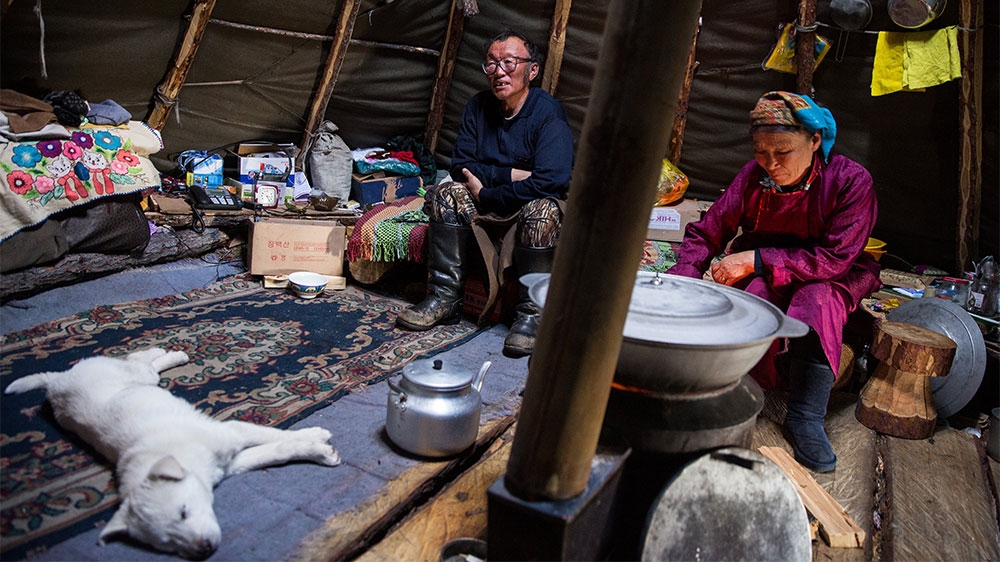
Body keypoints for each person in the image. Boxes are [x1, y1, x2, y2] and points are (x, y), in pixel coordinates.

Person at [667, 91, 881, 473]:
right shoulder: (754, 177)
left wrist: (756, 258)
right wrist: (681, 281)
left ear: (814, 141)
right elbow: (707, 232)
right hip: (766, 270)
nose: (770, 163)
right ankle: (748, 392)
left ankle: (805, 415)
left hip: (830, 273)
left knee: (815, 302)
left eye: (782, 152)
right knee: (756, 299)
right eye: (760, 152)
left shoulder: (850, 181)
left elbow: (834, 258)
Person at [396, 29, 575, 358]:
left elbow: (553, 180)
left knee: (543, 209)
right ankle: (444, 297)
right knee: (447, 193)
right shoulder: (478, 107)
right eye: (491, 64)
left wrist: (490, 193)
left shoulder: (548, 114)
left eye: (509, 62)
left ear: (531, 70)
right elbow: (460, 165)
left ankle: (532, 316)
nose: (499, 72)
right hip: (485, 200)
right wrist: (509, 174)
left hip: (523, 207)